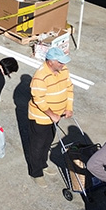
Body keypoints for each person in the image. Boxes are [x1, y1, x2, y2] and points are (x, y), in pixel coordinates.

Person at [27, 47, 74, 187]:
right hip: (41, 118)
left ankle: (43, 163)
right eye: (60, 62)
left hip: (57, 116)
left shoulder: (63, 70)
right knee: (37, 146)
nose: (63, 65)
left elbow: (69, 88)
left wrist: (69, 107)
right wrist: (51, 114)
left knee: (48, 141)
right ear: (50, 62)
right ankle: (36, 173)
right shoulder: (40, 77)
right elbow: (39, 99)